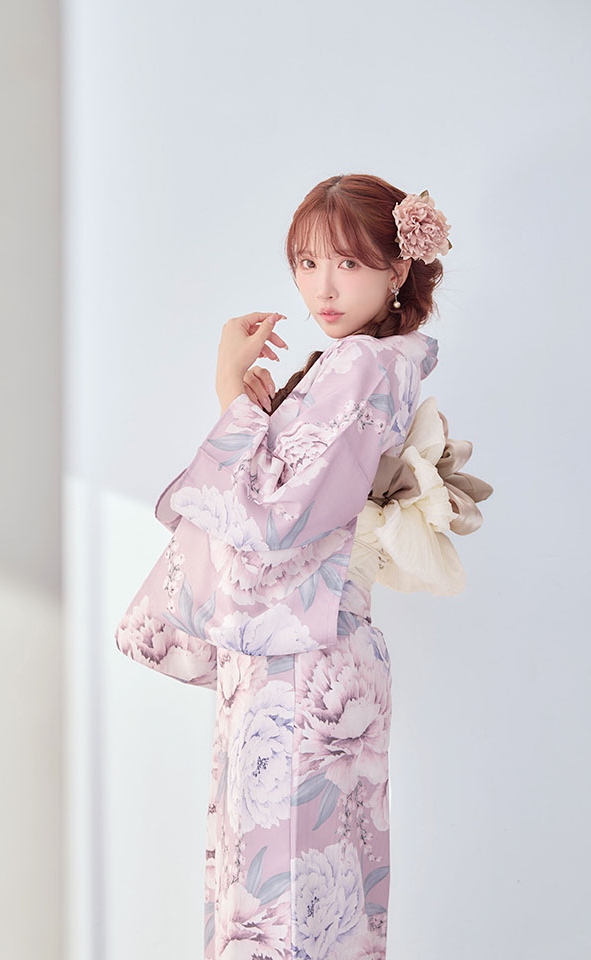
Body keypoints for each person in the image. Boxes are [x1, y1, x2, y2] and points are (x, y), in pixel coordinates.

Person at [114, 173, 492, 959]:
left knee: (279, 904)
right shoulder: (368, 364)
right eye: (307, 263)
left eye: (348, 263)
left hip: (300, 657)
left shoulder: (361, 367)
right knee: (308, 900)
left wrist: (231, 393)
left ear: (398, 267)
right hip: (310, 649)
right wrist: (253, 412)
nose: (323, 287)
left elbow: (275, 517)